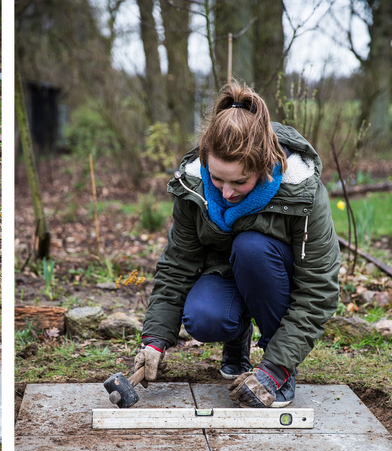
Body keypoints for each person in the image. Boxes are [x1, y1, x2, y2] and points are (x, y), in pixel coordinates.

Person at [133, 81, 340, 408]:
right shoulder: (194, 186)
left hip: (272, 272)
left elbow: (319, 289)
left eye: (240, 181)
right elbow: (177, 265)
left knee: (251, 247)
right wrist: (154, 340)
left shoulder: (302, 193)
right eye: (218, 178)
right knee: (203, 317)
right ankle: (235, 340)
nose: (226, 193)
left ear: (264, 165)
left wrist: (277, 366)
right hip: (227, 272)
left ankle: (278, 368)